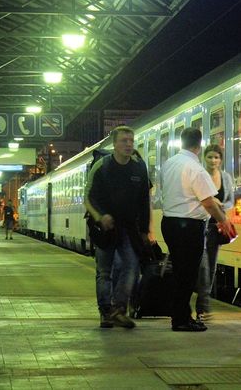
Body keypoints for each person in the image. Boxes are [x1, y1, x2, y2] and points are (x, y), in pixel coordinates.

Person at [161, 127, 236, 332]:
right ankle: (181, 319)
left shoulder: (170, 163)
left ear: (182, 142)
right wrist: (224, 222)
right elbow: (209, 203)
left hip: (169, 223)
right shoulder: (195, 169)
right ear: (199, 145)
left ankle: (181, 316)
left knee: (180, 272)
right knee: (187, 275)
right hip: (189, 226)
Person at [85, 126, 151, 329]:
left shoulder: (139, 168)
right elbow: (88, 198)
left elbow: (143, 201)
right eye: (124, 141)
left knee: (131, 266)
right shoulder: (102, 166)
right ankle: (105, 312)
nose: (129, 144)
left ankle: (118, 309)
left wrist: (145, 230)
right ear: (114, 144)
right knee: (104, 271)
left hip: (129, 227)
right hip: (105, 228)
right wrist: (99, 217)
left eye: (131, 141)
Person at [195, 144, 235, 322]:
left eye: (216, 157)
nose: (213, 160)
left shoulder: (225, 177)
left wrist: (220, 206)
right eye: (210, 157)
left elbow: (230, 201)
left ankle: (203, 304)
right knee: (202, 267)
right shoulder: (200, 175)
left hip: (216, 227)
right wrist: (211, 204)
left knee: (210, 266)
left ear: (220, 159)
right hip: (200, 225)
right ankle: (203, 306)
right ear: (205, 158)